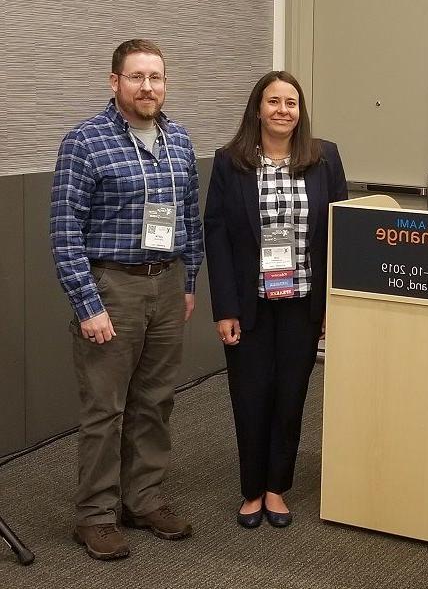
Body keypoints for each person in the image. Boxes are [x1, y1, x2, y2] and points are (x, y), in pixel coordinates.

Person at [50, 39, 203, 560]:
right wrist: (87, 304)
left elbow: (190, 220)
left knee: (156, 401)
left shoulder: (178, 140)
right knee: (105, 410)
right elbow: (64, 232)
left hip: (165, 282)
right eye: (136, 77)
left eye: (156, 77)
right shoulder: (85, 143)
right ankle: (94, 514)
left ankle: (143, 498)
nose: (147, 86)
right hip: (111, 286)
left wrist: (188, 282)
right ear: (114, 82)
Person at [204, 70, 347, 529]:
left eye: (291, 102)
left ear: (300, 112)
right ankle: (251, 489)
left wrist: (330, 304)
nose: (283, 110)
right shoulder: (231, 162)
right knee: (250, 395)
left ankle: (276, 488)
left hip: (303, 301)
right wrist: (224, 307)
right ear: (258, 108)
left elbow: (338, 234)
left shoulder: (325, 158)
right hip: (250, 303)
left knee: (291, 394)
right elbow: (217, 235)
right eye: (274, 101)